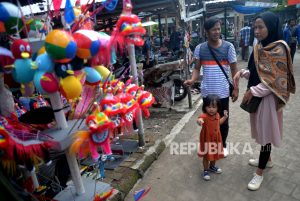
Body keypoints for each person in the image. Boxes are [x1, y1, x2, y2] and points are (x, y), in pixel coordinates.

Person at [233, 11, 296, 191]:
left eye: (261, 27)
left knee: (266, 135)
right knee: (262, 130)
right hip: (259, 98)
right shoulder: (260, 47)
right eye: (255, 27)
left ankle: (259, 173)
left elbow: (275, 80)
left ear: (271, 27)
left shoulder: (279, 49)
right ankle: (267, 160)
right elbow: (258, 71)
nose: (257, 31)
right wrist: (243, 73)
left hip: (269, 99)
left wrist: (252, 91)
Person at [184, 17, 239, 157]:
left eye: (218, 29)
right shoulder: (200, 48)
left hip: (223, 93)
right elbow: (196, 68)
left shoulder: (228, 47)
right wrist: (192, 79)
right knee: (209, 121)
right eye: (213, 29)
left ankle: (223, 145)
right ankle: (210, 145)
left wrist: (236, 88)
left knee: (224, 120)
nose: (217, 32)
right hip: (207, 93)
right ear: (206, 32)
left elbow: (234, 70)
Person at [197, 94, 228, 181]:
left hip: (216, 139)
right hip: (207, 140)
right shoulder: (204, 116)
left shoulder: (217, 115)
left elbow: (218, 123)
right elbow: (199, 119)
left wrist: (225, 117)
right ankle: (205, 170)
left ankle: (212, 166)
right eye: (209, 106)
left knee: (215, 154)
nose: (211, 109)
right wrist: (199, 121)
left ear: (218, 107)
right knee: (206, 156)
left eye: (214, 107)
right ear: (205, 107)